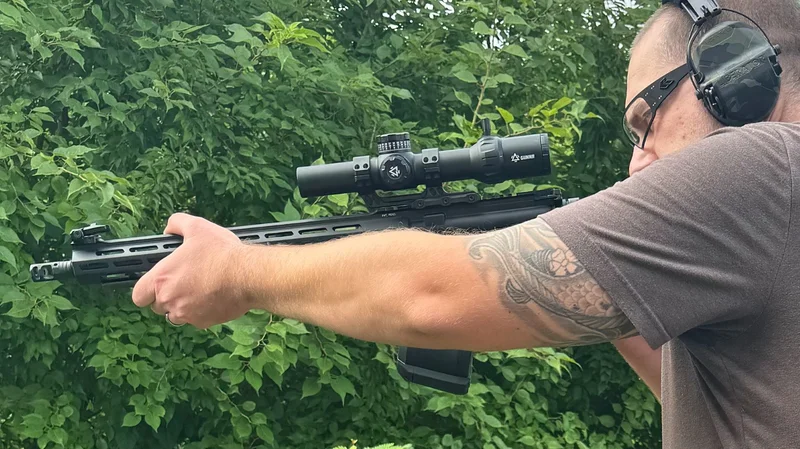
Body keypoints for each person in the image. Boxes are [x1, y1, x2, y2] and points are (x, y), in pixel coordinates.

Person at [131, 0, 800, 446]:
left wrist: (240, 270)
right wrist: (600, 271)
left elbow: (431, 297)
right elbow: (725, 410)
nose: (637, 160)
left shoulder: (763, 166)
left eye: (644, 119)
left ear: (735, 74)